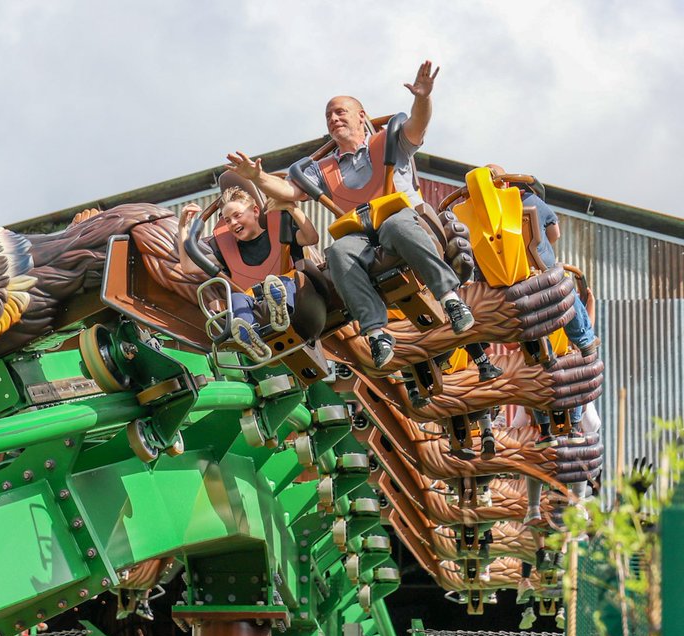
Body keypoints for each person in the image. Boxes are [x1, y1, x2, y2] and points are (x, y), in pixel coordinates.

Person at [227, 61, 475, 370]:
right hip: (361, 233)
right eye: (329, 115)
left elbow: (417, 124)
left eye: (340, 112)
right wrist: (257, 176)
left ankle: (450, 298)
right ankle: (375, 332)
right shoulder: (324, 168)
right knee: (340, 252)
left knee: (397, 225)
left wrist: (422, 97)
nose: (333, 118)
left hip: (402, 219)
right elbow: (290, 192)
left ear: (361, 116)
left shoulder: (388, 142)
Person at [487, 165, 599, 447]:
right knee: (564, 290)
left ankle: (552, 430)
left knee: (541, 369)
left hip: (510, 290)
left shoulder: (483, 216)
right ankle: (570, 424)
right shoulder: (529, 201)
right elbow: (554, 235)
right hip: (541, 281)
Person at [177, 179, 318, 360]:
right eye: (227, 220)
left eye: (237, 215)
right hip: (255, 303)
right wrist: (183, 227)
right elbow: (188, 266)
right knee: (236, 298)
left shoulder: (280, 231)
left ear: (255, 211)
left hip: (295, 297)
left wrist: (292, 208)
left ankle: (281, 311)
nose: (233, 223)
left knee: (280, 283)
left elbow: (311, 237)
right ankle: (250, 335)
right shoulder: (228, 252)